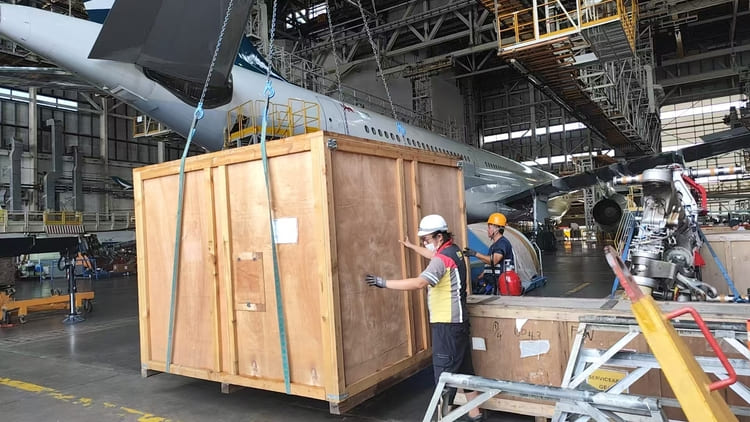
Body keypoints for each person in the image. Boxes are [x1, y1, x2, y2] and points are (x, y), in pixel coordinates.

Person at [365, 214, 483, 422]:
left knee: (444, 380)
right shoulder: (453, 251)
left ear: (439, 237)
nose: (425, 243)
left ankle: (442, 419)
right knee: (465, 372)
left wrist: (384, 283)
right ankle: (477, 416)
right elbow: (434, 257)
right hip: (459, 324)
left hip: (446, 326)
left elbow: (420, 283)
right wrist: (411, 246)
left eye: (427, 240)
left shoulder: (441, 259)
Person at [463, 213, 513, 295]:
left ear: (496, 229)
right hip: (494, 284)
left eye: (489, 228)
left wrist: (475, 254)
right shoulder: (494, 246)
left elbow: (494, 260)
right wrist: (482, 275)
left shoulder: (502, 243)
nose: (488, 230)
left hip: (501, 286)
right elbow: (491, 265)